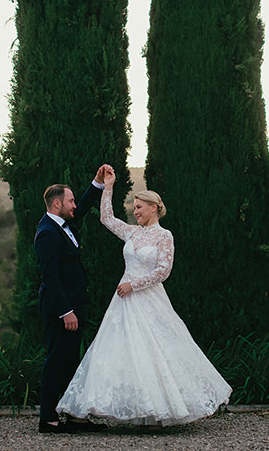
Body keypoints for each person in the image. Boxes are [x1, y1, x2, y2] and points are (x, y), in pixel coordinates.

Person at [56, 165, 232, 428]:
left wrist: (133, 285)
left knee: (156, 352)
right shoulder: (132, 232)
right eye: (134, 207)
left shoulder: (164, 236)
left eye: (139, 207)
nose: (135, 211)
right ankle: (133, 408)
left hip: (147, 299)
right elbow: (106, 218)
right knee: (121, 352)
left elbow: (164, 271)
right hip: (124, 303)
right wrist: (109, 186)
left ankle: (159, 412)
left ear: (153, 207)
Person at [36, 166, 108, 434]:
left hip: (73, 306)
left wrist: (97, 183)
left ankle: (74, 416)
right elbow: (50, 276)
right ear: (57, 204)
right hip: (60, 309)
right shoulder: (47, 232)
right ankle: (48, 420)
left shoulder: (64, 225)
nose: (74, 205)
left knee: (70, 361)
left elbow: (85, 208)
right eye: (70, 201)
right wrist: (66, 311)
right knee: (56, 361)